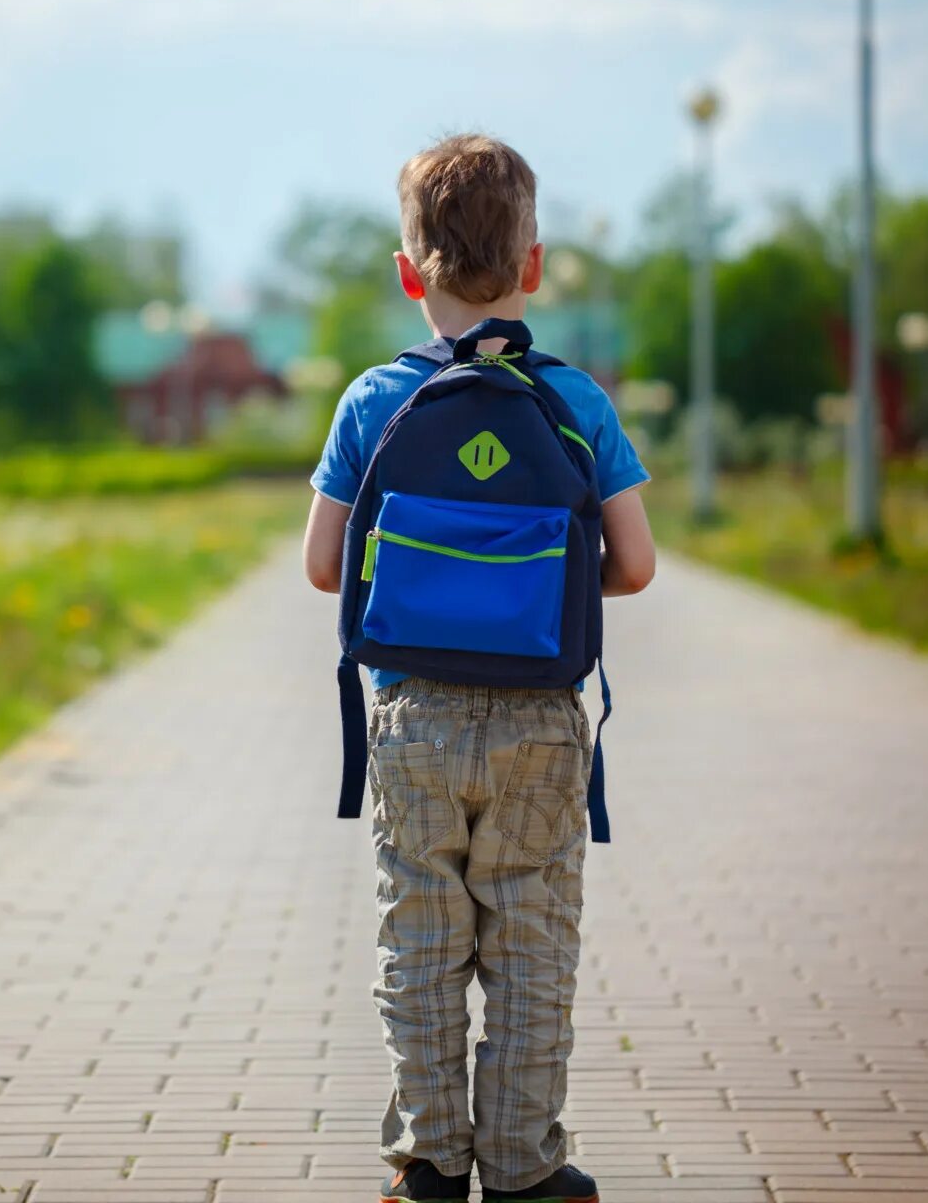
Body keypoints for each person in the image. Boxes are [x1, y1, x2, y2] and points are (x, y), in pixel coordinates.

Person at [301, 134, 656, 1203]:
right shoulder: (575, 401)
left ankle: (429, 1163)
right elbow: (634, 564)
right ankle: (524, 1166)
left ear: (410, 274)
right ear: (534, 267)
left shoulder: (373, 401)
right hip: (544, 728)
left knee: (420, 940)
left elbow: (325, 569)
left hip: (411, 718)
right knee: (532, 946)